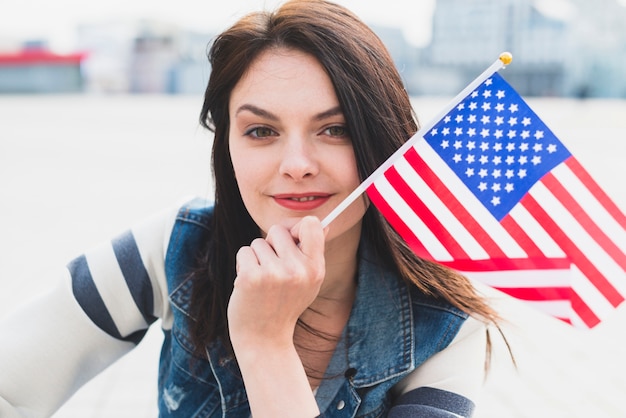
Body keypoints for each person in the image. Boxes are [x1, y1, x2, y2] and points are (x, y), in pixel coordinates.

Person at [0, 0, 507, 416]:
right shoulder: (173, 248)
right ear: (228, 146)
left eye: (335, 129)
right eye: (261, 131)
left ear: (382, 140)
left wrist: (265, 342)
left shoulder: (448, 328)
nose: (297, 164)